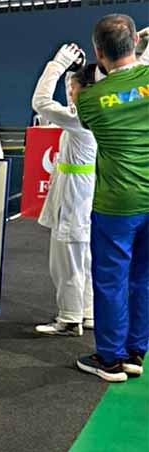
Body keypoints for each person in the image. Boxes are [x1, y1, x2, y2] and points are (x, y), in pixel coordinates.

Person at [74, 15, 149, 382]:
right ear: (135, 40)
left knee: (110, 279)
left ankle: (110, 359)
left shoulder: (90, 100)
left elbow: (112, 92)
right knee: (144, 276)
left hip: (116, 203)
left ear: (97, 53)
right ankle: (137, 352)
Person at [31, 44, 98, 337]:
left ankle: (70, 319)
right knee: (82, 255)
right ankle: (87, 312)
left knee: (67, 257)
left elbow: (41, 101)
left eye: (72, 87)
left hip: (74, 195)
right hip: (82, 190)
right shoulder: (99, 110)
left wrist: (58, 63)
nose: (69, 92)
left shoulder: (81, 117)